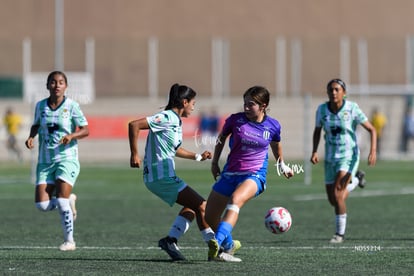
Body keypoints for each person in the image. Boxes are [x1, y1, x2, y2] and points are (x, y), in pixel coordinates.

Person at [128, 83, 219, 261]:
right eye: (193, 103)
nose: (194, 107)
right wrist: (134, 154)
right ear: (184, 102)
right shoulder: (167, 117)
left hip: (163, 176)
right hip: (160, 177)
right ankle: (215, 247)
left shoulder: (175, 121)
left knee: (192, 207)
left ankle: (170, 240)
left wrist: (198, 157)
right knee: (202, 205)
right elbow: (133, 125)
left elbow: (174, 149)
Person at [204, 86, 294, 262]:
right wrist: (214, 162)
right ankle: (229, 246)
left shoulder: (273, 126)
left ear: (263, 105)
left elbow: (276, 145)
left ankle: (217, 241)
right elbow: (221, 139)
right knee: (210, 215)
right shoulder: (235, 120)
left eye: (250, 104)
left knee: (235, 200)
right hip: (230, 172)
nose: (246, 107)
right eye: (244, 103)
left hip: (254, 175)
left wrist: (282, 164)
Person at [25, 71, 89, 251]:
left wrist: (72, 135)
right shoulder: (40, 106)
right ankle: (69, 202)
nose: (57, 85)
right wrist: (31, 136)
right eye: (53, 82)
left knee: (61, 200)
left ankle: (69, 241)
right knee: (42, 205)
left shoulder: (72, 106)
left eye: (61, 82)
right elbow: (36, 124)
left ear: (66, 86)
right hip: (45, 161)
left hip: (66, 158)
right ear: (47, 86)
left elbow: (85, 129)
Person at [310, 78, 376, 244]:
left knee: (339, 194)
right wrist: (314, 151)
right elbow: (317, 131)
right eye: (331, 90)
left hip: (348, 157)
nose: (333, 92)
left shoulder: (352, 108)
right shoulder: (322, 110)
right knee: (333, 199)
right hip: (330, 158)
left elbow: (372, 129)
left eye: (337, 89)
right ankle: (356, 181)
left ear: (344, 93)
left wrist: (373, 151)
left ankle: (339, 234)